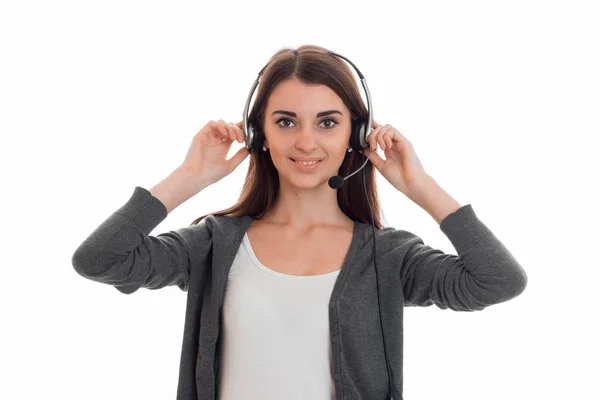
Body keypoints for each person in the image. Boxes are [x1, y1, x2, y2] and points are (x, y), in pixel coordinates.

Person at [72, 45, 528, 400]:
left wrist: (422, 186)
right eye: (286, 121)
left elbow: (498, 281)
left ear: (356, 132)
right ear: (259, 134)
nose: (306, 141)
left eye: (327, 122)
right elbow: (99, 259)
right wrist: (189, 178)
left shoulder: (388, 256)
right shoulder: (214, 244)